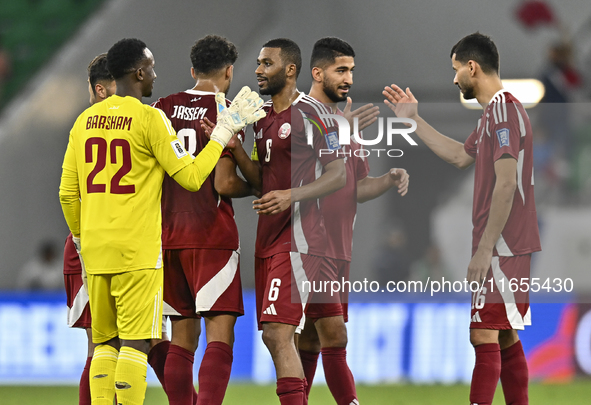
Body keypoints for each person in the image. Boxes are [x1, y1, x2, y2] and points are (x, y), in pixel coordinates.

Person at [59, 38, 264, 405]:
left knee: (105, 344)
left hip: (112, 246)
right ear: (139, 72)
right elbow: (198, 178)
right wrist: (220, 138)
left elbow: (67, 194)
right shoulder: (156, 116)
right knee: (144, 344)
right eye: (151, 68)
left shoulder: (93, 119)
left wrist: (78, 236)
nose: (155, 74)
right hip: (152, 247)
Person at [383, 32, 541, 405]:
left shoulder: (502, 110)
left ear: (472, 67)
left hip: (502, 244)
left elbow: (506, 184)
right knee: (504, 335)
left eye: (456, 70)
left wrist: (485, 248)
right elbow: (458, 155)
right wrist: (414, 120)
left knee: (483, 334)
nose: (454, 79)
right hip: (508, 243)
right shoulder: (495, 115)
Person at [230, 37, 346, 404]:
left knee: (277, 335)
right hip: (268, 241)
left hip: (301, 239)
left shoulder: (315, 112)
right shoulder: (261, 118)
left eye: (267, 63)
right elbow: (261, 180)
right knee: (290, 336)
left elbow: (338, 174)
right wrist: (233, 147)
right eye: (259, 63)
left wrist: (290, 195)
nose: (258, 70)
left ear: (290, 70)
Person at [298, 36, 410, 405]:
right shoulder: (301, 115)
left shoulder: (347, 124)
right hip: (310, 244)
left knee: (311, 338)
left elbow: (357, 186)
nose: (348, 78)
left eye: (351, 70)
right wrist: (338, 129)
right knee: (335, 335)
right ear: (317, 72)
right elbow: (297, 174)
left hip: (338, 248)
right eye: (340, 69)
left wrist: (388, 179)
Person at [150, 34, 251, 405]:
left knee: (181, 341)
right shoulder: (228, 110)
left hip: (168, 234)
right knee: (219, 336)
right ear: (228, 71)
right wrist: (260, 184)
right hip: (212, 233)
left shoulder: (161, 107)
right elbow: (224, 183)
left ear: (193, 70)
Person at [62, 53, 116, 405]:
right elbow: (68, 195)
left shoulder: (82, 127)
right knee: (101, 344)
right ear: (101, 88)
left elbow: (69, 193)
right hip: (89, 248)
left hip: (106, 245)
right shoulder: (86, 125)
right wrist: (82, 240)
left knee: (132, 344)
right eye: (119, 84)